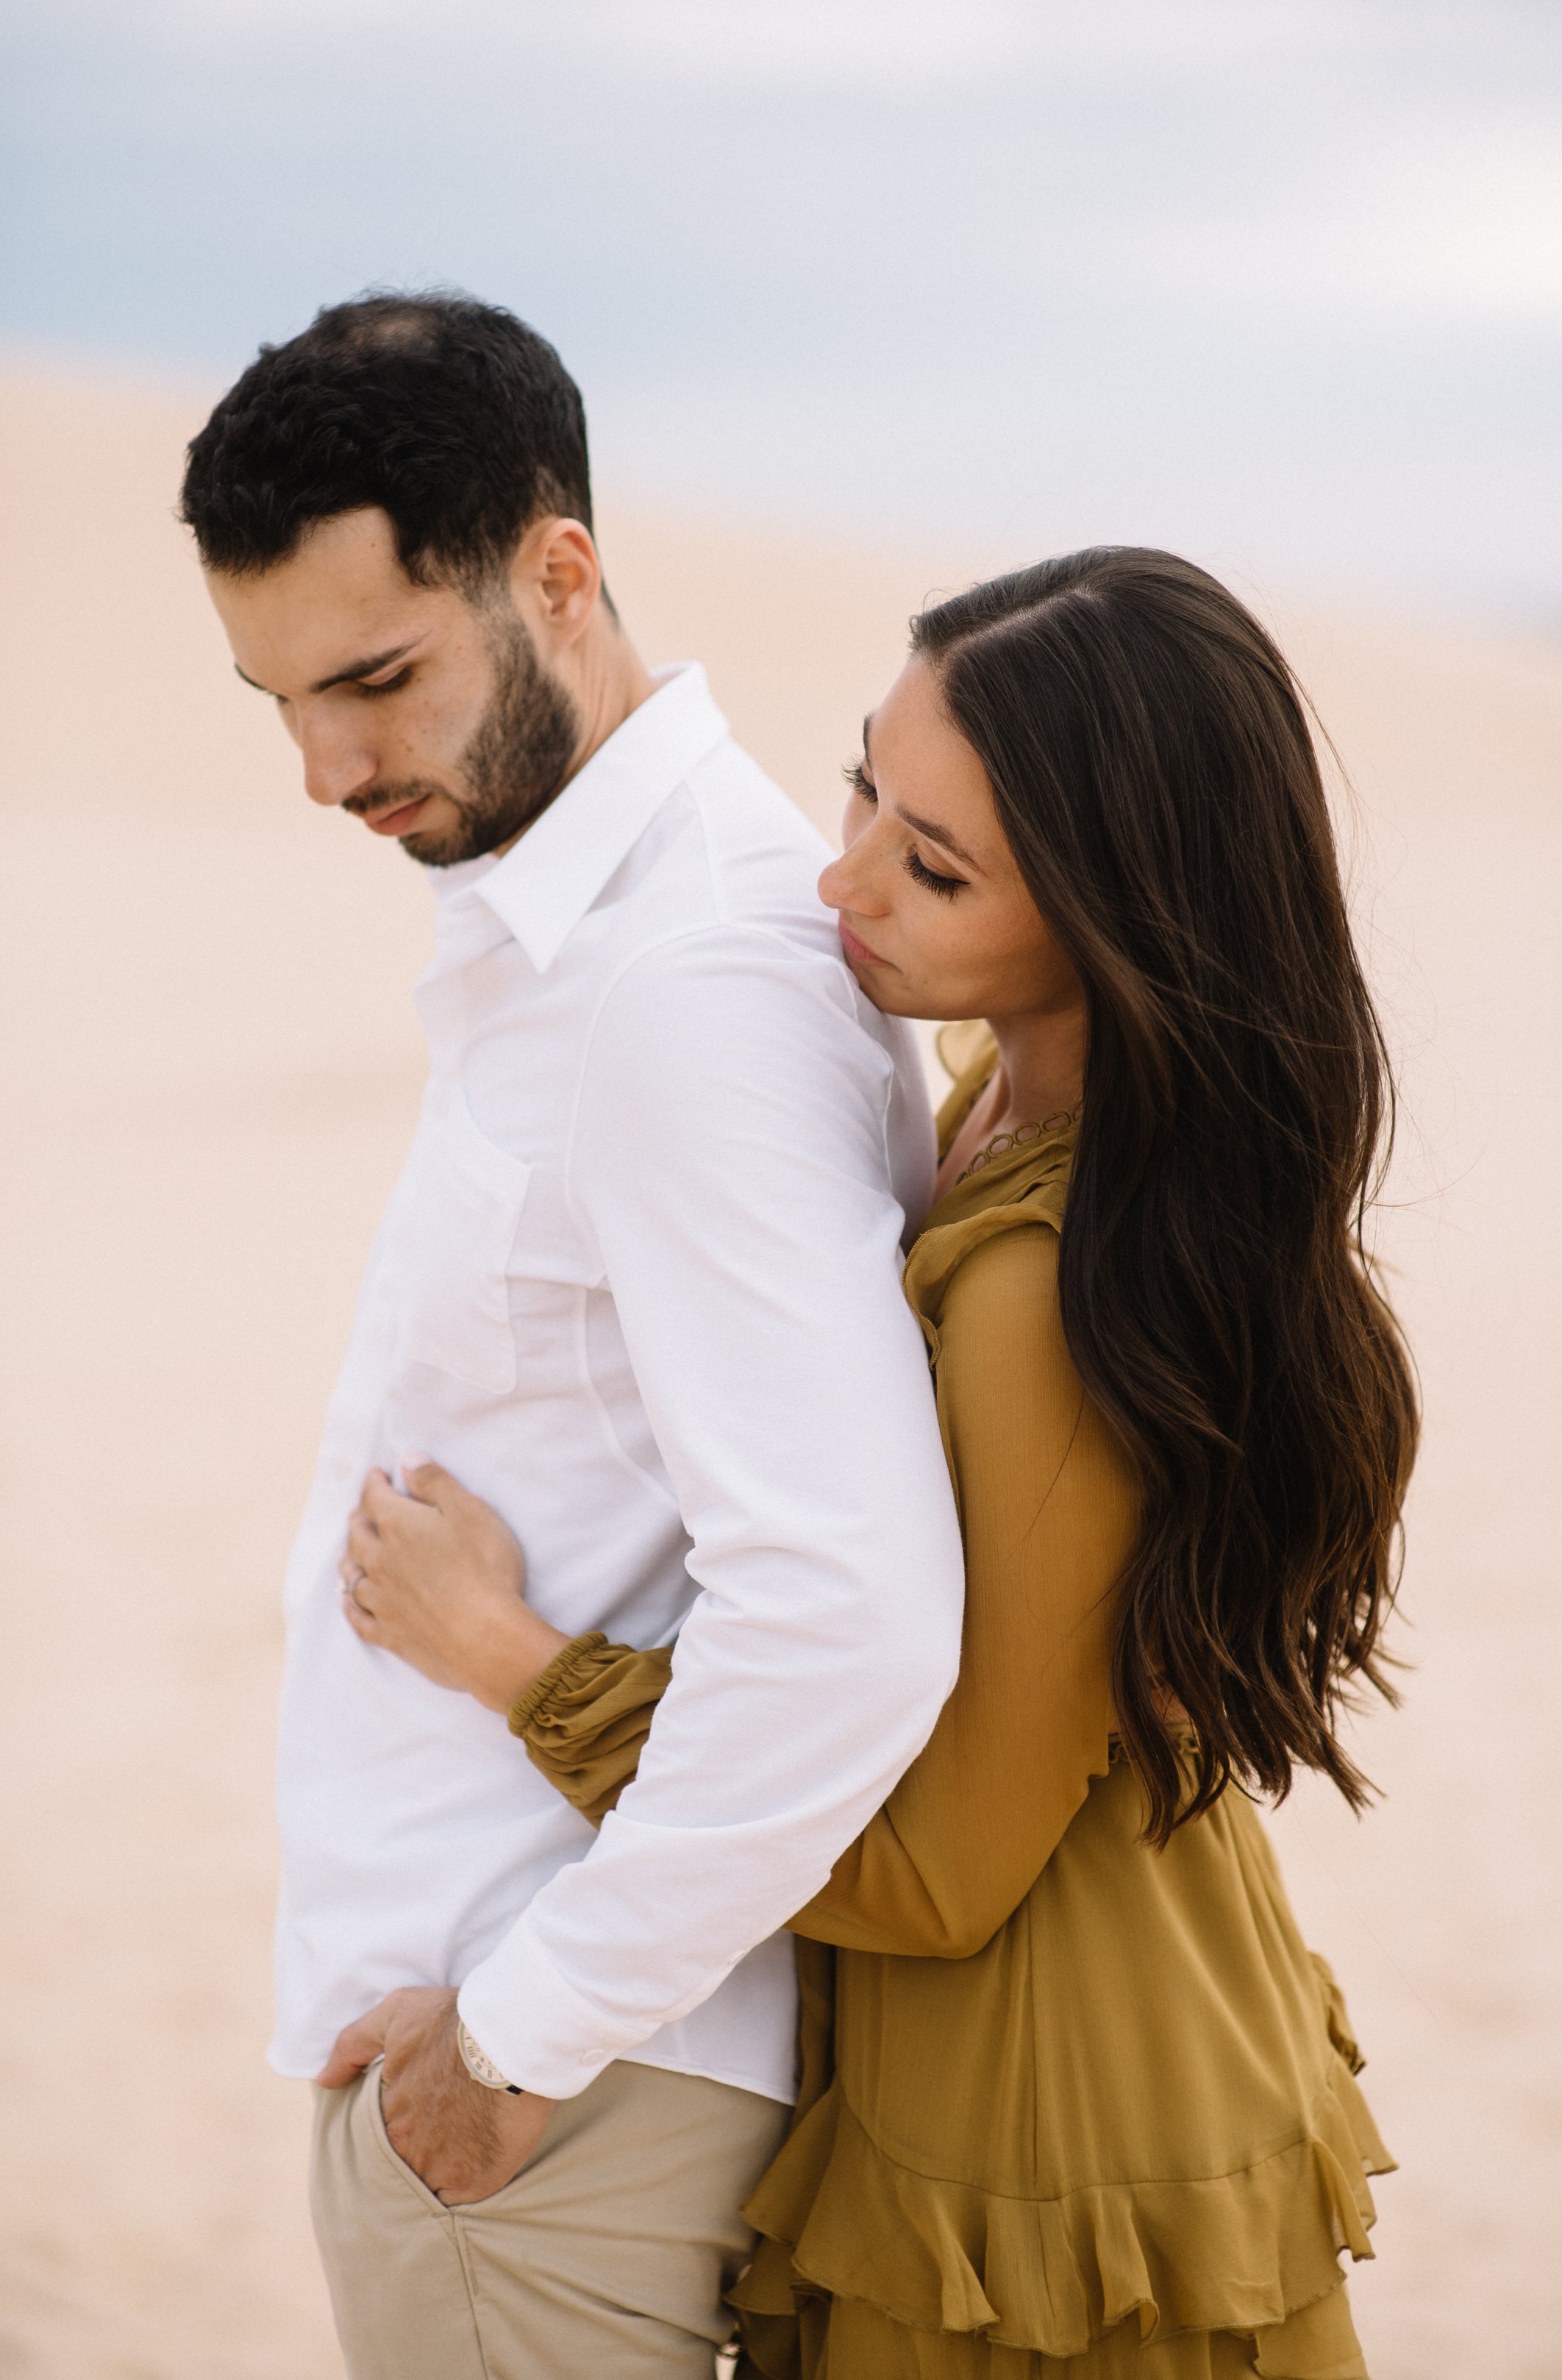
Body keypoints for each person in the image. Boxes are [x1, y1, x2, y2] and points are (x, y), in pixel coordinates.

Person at [339, 547, 1419, 2379]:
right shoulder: (1009, 1098)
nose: (841, 878)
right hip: (1105, 1997)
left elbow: (933, 1873)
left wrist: (518, 1661)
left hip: (1039, 2126)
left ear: (1120, 914)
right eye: (865, 785)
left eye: (935, 868)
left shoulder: (1039, 1284)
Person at [179, 291, 966, 2379]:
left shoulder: (689, 981)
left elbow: (854, 1610)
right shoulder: (604, 927)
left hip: (550, 2100)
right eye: (277, 699)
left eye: (377, 679)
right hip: (546, 2065)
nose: (328, 768)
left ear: (560, 573)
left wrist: (517, 2038)